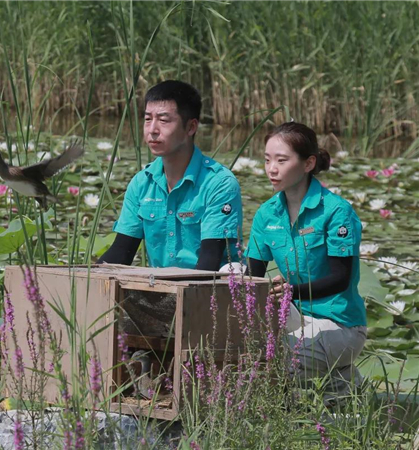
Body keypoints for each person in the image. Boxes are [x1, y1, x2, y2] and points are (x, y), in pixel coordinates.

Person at [245, 121, 367, 402]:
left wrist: (289, 291)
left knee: (271, 363)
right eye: (267, 160)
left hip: (339, 322)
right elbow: (253, 274)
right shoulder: (266, 214)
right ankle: (339, 384)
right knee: (237, 347)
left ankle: (342, 378)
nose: (271, 168)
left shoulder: (337, 212)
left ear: (309, 163)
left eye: (281, 160)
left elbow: (340, 279)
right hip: (295, 318)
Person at [97, 80, 242, 270]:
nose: (152, 130)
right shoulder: (141, 183)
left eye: (163, 120)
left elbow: (209, 264)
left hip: (210, 293)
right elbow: (121, 252)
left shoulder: (219, 183)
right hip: (159, 289)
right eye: (148, 119)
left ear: (191, 127)